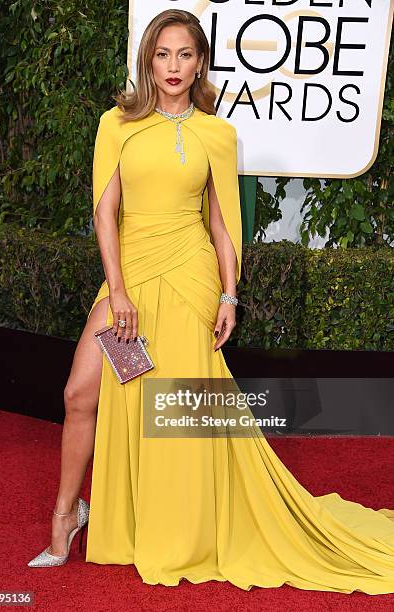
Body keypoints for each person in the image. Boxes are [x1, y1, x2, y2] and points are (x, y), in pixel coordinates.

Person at [28, 9, 394, 594]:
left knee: (170, 407)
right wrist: (117, 290)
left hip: (190, 273)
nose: (173, 66)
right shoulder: (115, 125)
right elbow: (104, 214)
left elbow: (224, 226)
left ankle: (179, 527)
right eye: (162, 54)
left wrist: (229, 294)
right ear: (148, 61)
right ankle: (67, 514)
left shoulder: (217, 135)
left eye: (185, 55)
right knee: (81, 390)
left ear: (201, 62)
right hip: (130, 271)